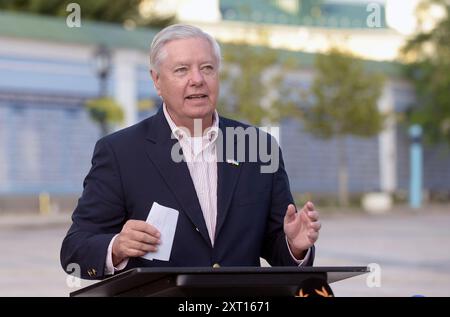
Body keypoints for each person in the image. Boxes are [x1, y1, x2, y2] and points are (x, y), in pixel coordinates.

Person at [60, 24, 321, 280]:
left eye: (207, 68)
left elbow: (277, 247)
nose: (197, 80)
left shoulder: (258, 146)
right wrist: (116, 247)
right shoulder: (120, 152)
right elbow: (75, 250)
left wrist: (294, 245)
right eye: (182, 70)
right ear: (157, 81)